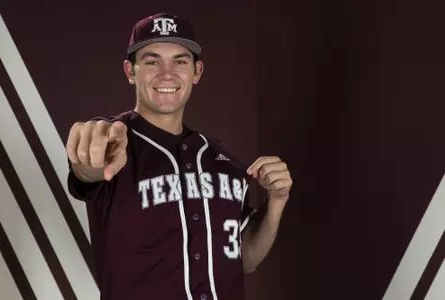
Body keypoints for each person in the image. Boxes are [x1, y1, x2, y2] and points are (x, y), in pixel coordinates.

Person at [66, 12, 293, 300]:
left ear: (196, 72)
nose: (167, 73)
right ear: (130, 71)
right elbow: (89, 169)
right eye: (151, 61)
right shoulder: (114, 141)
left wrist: (276, 201)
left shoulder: (223, 160)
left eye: (180, 61)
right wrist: (88, 159)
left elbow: (244, 258)